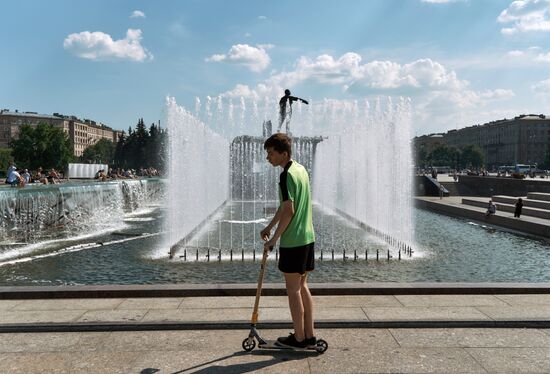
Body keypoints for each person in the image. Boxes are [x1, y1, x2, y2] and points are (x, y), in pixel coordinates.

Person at [260, 133, 316, 349]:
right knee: (302, 286)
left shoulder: (285, 176)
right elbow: (285, 208)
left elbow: (289, 212)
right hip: (308, 237)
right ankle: (309, 335)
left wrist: (274, 239)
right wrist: (269, 226)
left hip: (293, 241)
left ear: (283, 154)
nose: (268, 158)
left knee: (293, 290)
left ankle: (299, 339)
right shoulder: (300, 170)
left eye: (271, 153)